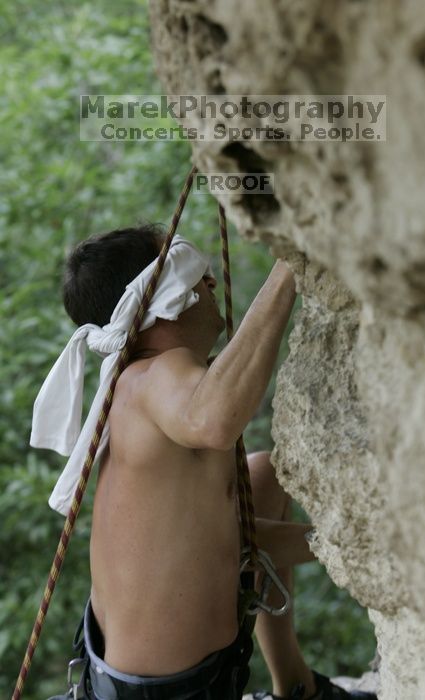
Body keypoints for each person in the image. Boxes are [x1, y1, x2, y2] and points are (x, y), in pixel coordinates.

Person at [38, 224, 377, 700]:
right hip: (169, 692)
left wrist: (359, 545)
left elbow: (228, 543)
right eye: (193, 273)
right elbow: (214, 419)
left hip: (137, 683)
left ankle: (296, 686)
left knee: (262, 476)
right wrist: (289, 266)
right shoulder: (152, 376)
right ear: (164, 297)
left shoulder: (136, 388)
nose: (210, 282)